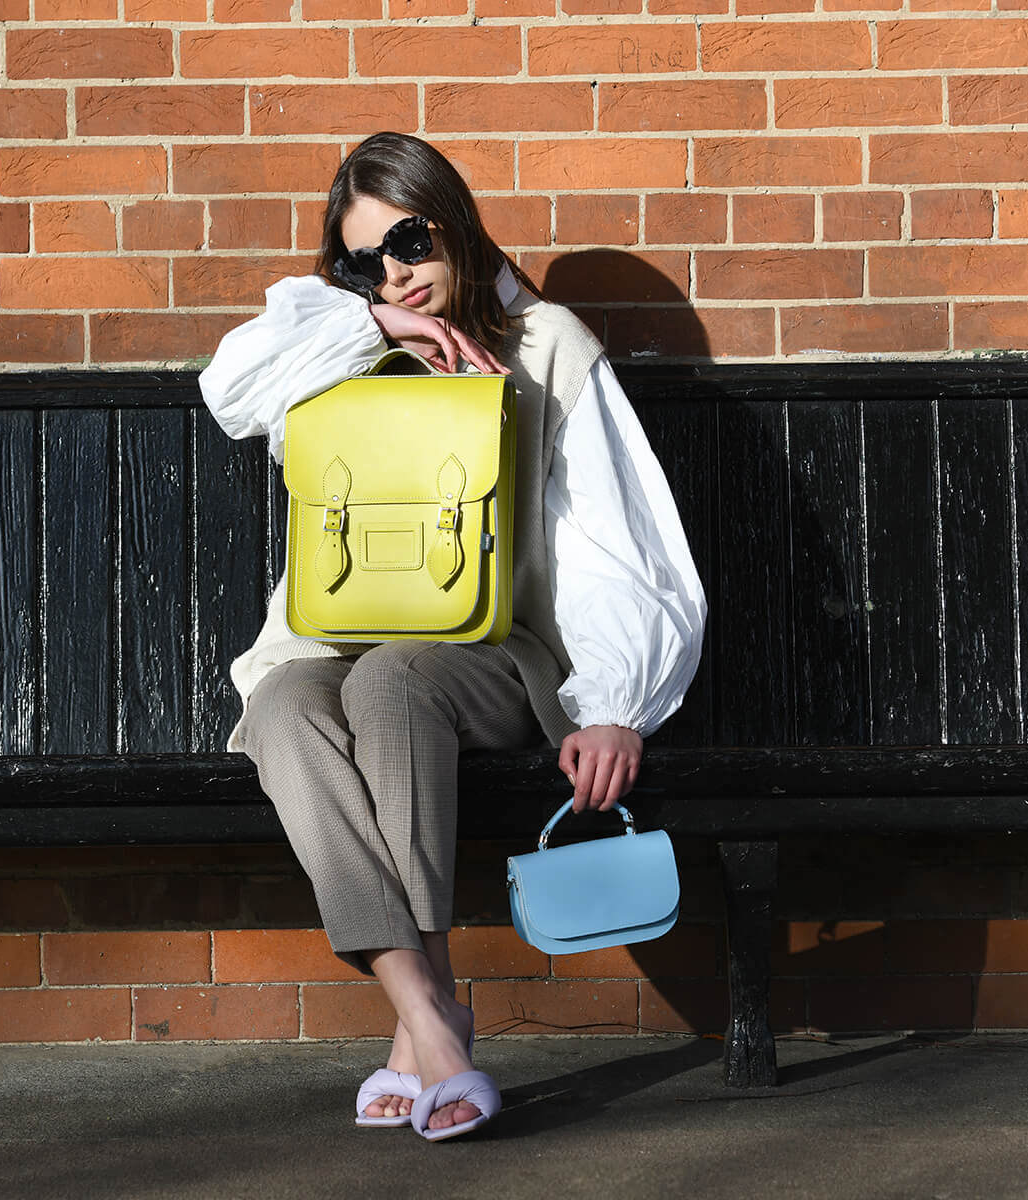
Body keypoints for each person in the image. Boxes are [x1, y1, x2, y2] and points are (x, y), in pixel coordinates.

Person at [197, 132, 705, 1142]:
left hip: (493, 655)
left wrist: (615, 705)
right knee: (282, 710)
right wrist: (367, 323)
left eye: (413, 242)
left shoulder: (546, 344)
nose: (397, 270)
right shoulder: (337, 344)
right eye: (364, 259)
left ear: (456, 225)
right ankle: (429, 1017)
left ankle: (418, 1023)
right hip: (329, 640)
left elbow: (613, 533)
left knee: (392, 684)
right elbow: (226, 390)